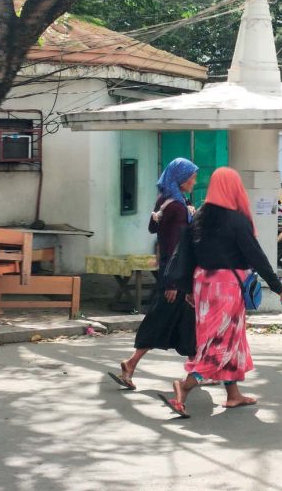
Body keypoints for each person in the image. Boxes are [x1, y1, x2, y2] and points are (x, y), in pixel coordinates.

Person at [159, 167, 282, 418]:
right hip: (226, 288)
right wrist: (277, 285)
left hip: (202, 285)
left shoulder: (199, 217)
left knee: (230, 339)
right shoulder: (236, 219)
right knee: (219, 342)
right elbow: (256, 255)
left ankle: (233, 395)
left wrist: (186, 288)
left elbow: (185, 254)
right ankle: (184, 386)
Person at [109, 157, 198, 390]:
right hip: (175, 277)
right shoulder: (178, 207)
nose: (194, 182)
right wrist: (173, 283)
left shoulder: (166, 200)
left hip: (172, 273)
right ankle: (131, 363)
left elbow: (153, 228)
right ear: (180, 179)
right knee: (161, 320)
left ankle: (195, 370)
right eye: (191, 177)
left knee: (186, 323)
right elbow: (174, 247)